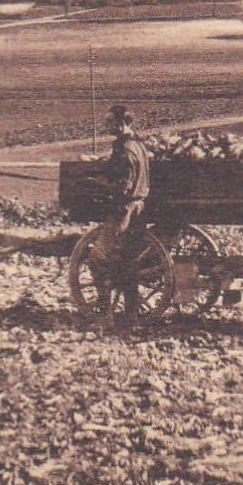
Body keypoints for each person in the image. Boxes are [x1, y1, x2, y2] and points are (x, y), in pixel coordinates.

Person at [94, 105, 151, 325]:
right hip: (139, 209)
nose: (107, 126)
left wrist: (99, 182)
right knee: (128, 263)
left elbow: (123, 187)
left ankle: (105, 315)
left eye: (110, 123)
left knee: (98, 260)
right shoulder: (139, 146)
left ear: (122, 123)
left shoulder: (126, 151)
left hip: (124, 212)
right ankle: (131, 316)